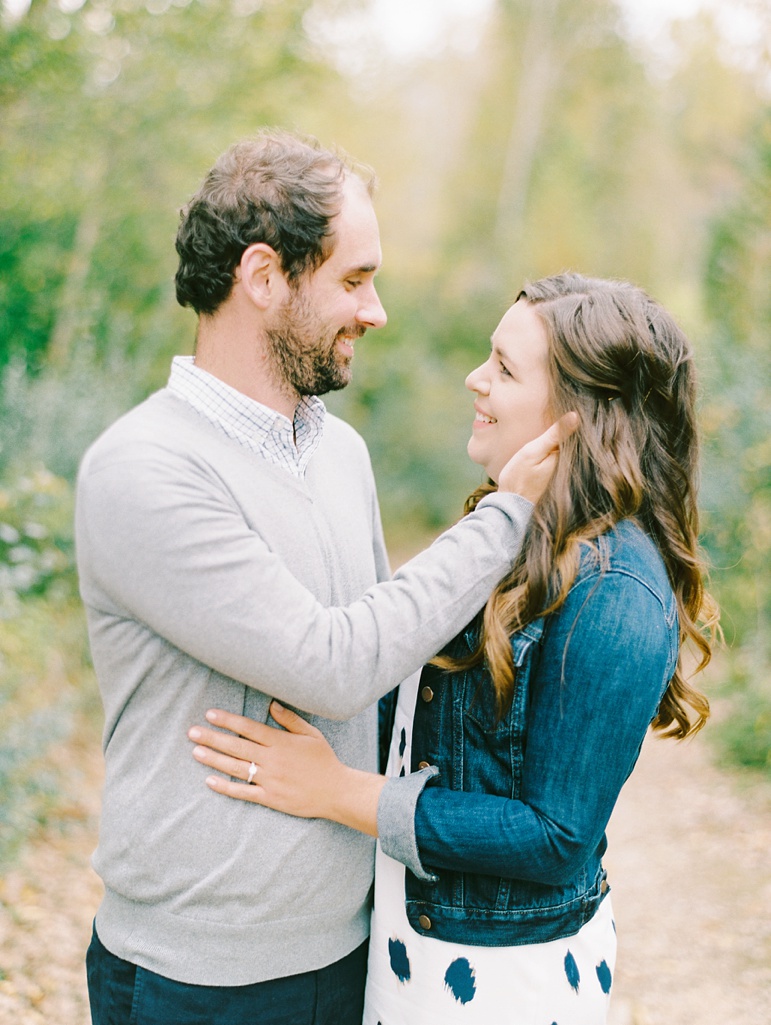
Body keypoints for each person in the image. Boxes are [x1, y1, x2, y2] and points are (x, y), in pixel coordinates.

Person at [75, 129, 567, 1025]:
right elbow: (333, 664)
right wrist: (508, 514)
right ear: (264, 278)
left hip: (353, 952)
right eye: (353, 279)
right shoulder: (144, 470)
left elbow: (388, 656)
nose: (375, 310)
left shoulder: (341, 451)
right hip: (202, 981)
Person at [188, 273, 718, 1025]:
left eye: (503, 368)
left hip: (503, 984)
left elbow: (555, 836)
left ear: (578, 415)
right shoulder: (512, 534)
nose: (476, 379)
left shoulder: (616, 588)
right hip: (412, 952)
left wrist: (340, 793)